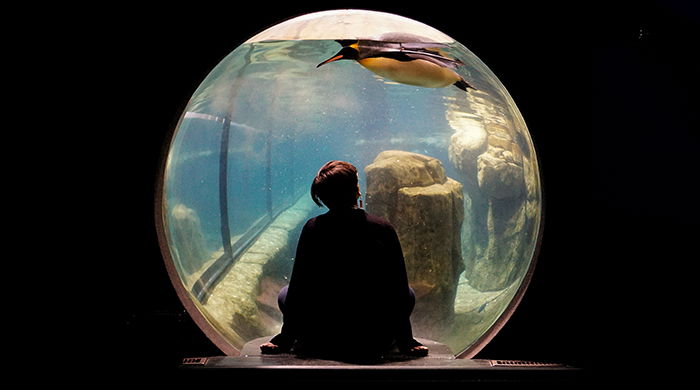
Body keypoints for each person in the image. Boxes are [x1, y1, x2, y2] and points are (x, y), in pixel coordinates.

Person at [260, 160, 428, 360]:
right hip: (375, 337)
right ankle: (398, 341)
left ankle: (299, 338)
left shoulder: (313, 228)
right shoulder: (383, 228)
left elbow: (299, 289)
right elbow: (397, 288)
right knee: (407, 292)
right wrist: (406, 340)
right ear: (356, 191)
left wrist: (285, 339)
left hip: (320, 337)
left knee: (285, 293)